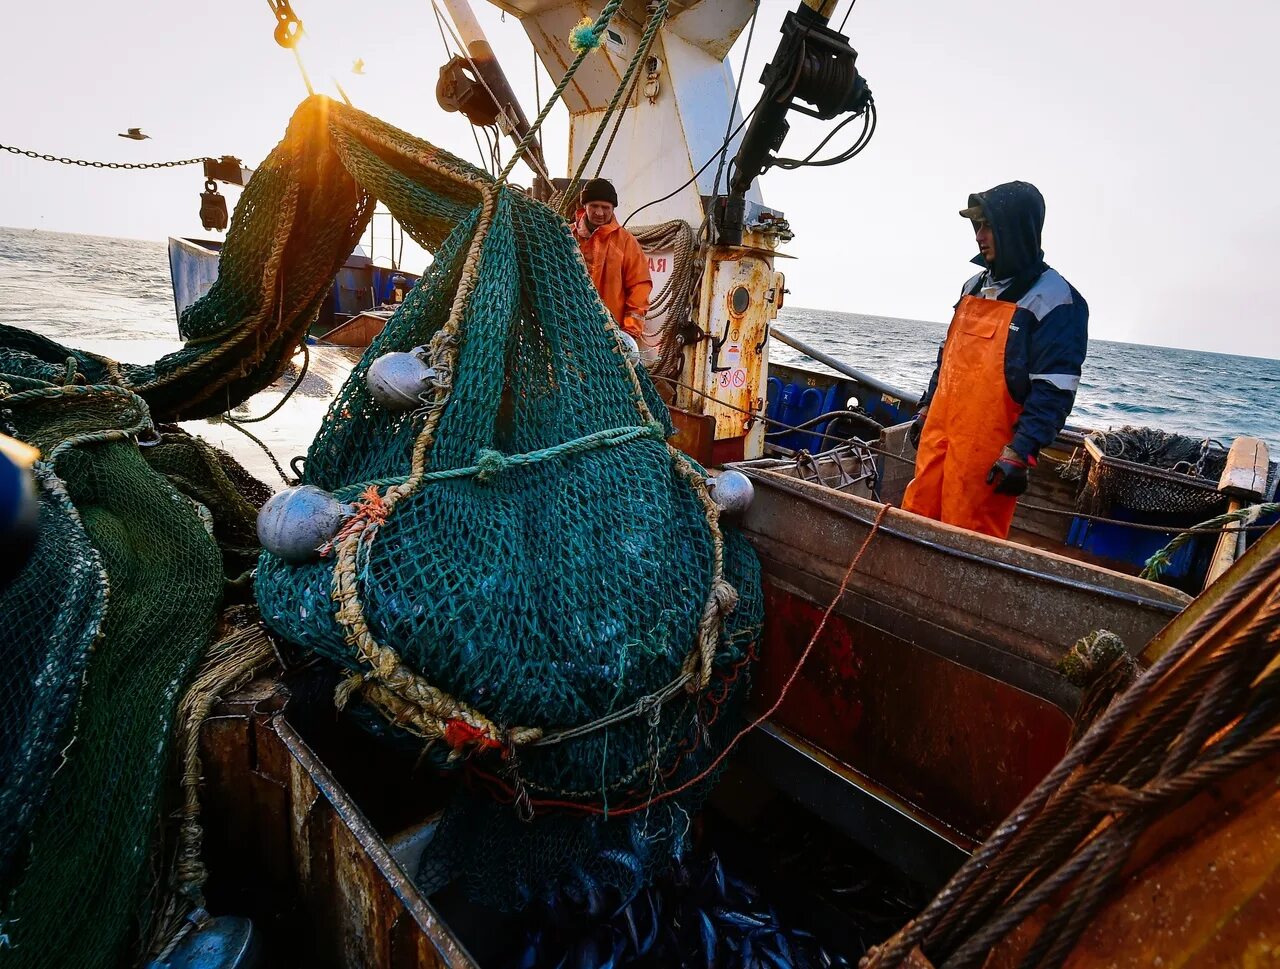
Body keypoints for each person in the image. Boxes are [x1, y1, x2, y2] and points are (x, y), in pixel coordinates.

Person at [901, 181, 1088, 539]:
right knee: (915, 521)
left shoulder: (1057, 300)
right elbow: (948, 357)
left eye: (988, 226)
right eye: (977, 226)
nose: (979, 236)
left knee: (969, 540)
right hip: (940, 437)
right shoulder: (972, 286)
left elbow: (1054, 389)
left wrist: (1021, 451)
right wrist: (926, 408)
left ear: (1016, 230)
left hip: (988, 454)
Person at [574, 178, 652, 340]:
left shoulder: (626, 242)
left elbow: (639, 287)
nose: (600, 213)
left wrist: (629, 332)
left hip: (611, 337)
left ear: (613, 208)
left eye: (605, 207)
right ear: (584, 206)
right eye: (594, 206)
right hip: (572, 331)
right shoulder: (567, 237)